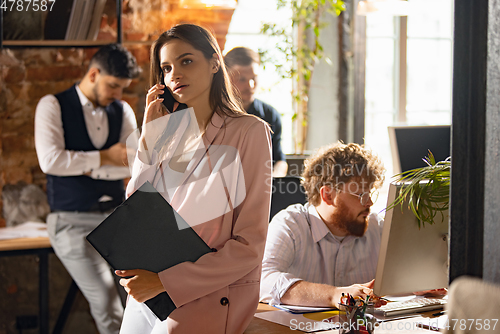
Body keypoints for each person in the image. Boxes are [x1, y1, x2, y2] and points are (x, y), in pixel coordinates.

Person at [116, 24, 272, 334]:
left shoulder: (249, 132)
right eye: (166, 67)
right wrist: (149, 138)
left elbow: (250, 245)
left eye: (186, 61)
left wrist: (165, 283)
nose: (174, 74)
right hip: (148, 296)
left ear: (215, 63)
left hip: (202, 297)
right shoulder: (171, 135)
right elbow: (138, 211)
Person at [35, 44, 141, 334]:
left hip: (118, 219)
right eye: (113, 86)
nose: (118, 94)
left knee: (143, 298)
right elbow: (51, 160)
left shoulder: (122, 109)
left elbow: (133, 163)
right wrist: (106, 157)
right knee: (107, 303)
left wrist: (84, 163)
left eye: (122, 88)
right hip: (71, 222)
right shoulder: (52, 105)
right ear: (93, 74)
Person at [260, 142, 386, 307]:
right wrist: (333, 295)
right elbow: (262, 279)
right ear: (327, 195)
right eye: (361, 194)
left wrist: (422, 285)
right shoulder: (289, 225)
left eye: (370, 193)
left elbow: (406, 272)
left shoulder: (378, 228)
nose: (369, 202)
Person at [224, 47, 288, 177]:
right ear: (226, 78)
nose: (251, 85)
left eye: (254, 78)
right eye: (242, 79)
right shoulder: (212, 113)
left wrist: (274, 180)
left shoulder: (270, 115)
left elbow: (279, 160)